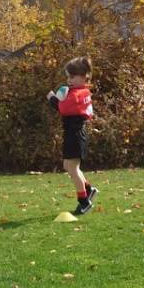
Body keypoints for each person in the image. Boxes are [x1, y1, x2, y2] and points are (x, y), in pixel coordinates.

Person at [47, 56, 99, 215]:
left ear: (84, 77)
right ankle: (88, 189)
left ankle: (84, 201)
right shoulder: (80, 91)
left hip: (75, 134)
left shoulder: (77, 94)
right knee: (67, 166)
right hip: (73, 133)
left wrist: (52, 99)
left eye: (72, 77)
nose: (69, 80)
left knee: (73, 168)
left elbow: (63, 109)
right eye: (68, 77)